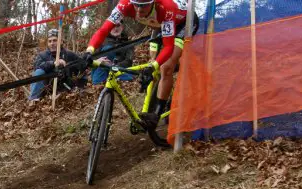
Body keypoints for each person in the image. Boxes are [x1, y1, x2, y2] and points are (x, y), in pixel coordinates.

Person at [83, 0, 199, 132]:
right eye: (136, 4)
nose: (138, 9)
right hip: (158, 24)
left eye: (143, 5)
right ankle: (157, 91)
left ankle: (157, 113)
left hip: (184, 22)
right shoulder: (124, 5)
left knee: (165, 66)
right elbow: (104, 30)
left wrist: (153, 67)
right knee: (152, 60)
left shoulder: (166, 8)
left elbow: (168, 46)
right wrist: (89, 50)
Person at [29, 29, 87, 101]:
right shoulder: (42, 55)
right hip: (47, 90)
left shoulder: (69, 54)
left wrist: (95, 61)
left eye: (55, 40)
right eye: (50, 41)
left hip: (65, 89)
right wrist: (53, 63)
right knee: (39, 72)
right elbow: (37, 67)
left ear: (61, 42)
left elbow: (83, 64)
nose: (52, 43)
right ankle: (33, 100)